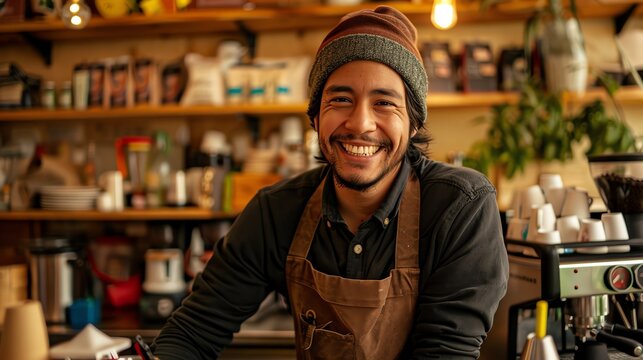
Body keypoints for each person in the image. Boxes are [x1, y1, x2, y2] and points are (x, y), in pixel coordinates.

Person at [153, 6, 509, 359]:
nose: (360, 123)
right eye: (340, 99)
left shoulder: (460, 207)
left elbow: (445, 354)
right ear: (315, 117)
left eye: (384, 102)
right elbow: (192, 332)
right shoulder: (276, 212)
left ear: (413, 123)